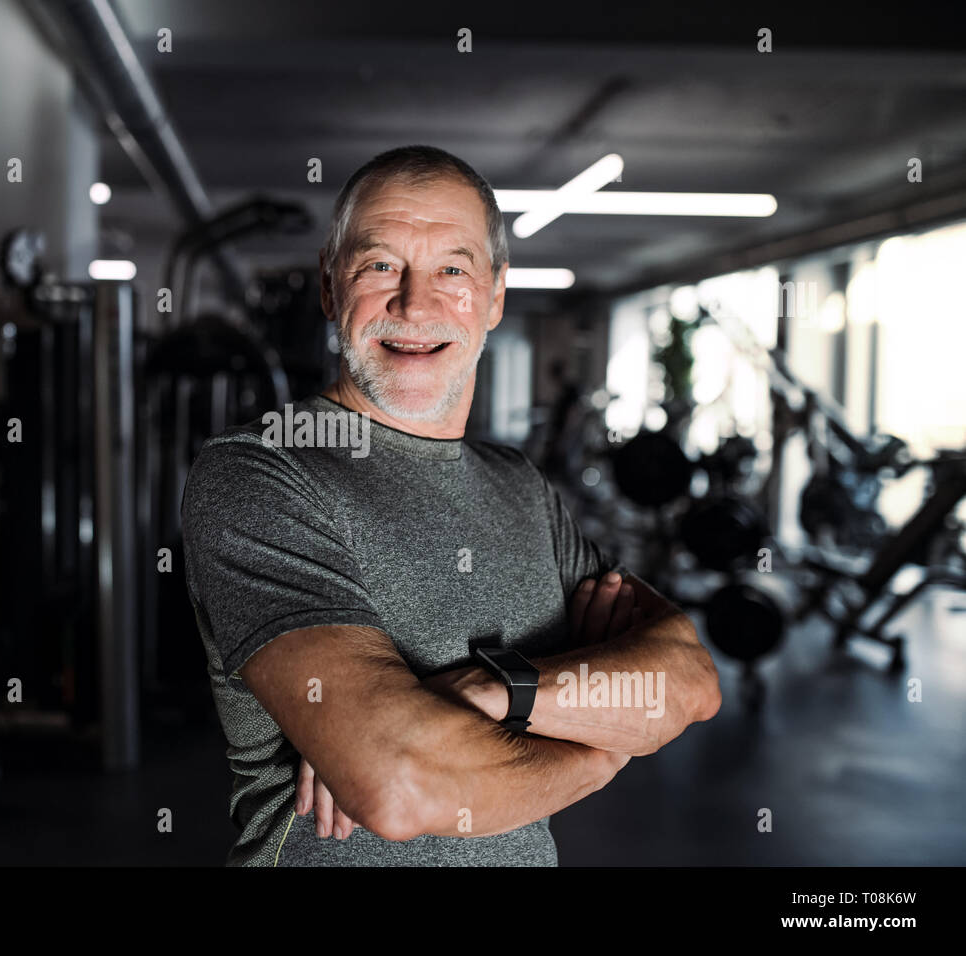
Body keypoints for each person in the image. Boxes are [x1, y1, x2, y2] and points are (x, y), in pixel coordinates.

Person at [180, 144, 721, 866]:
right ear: (328, 286)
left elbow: (688, 682)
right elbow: (398, 784)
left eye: (452, 271)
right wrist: (602, 750)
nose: (414, 303)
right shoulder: (259, 475)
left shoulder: (521, 488)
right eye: (380, 266)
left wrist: (494, 693)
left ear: (495, 296)